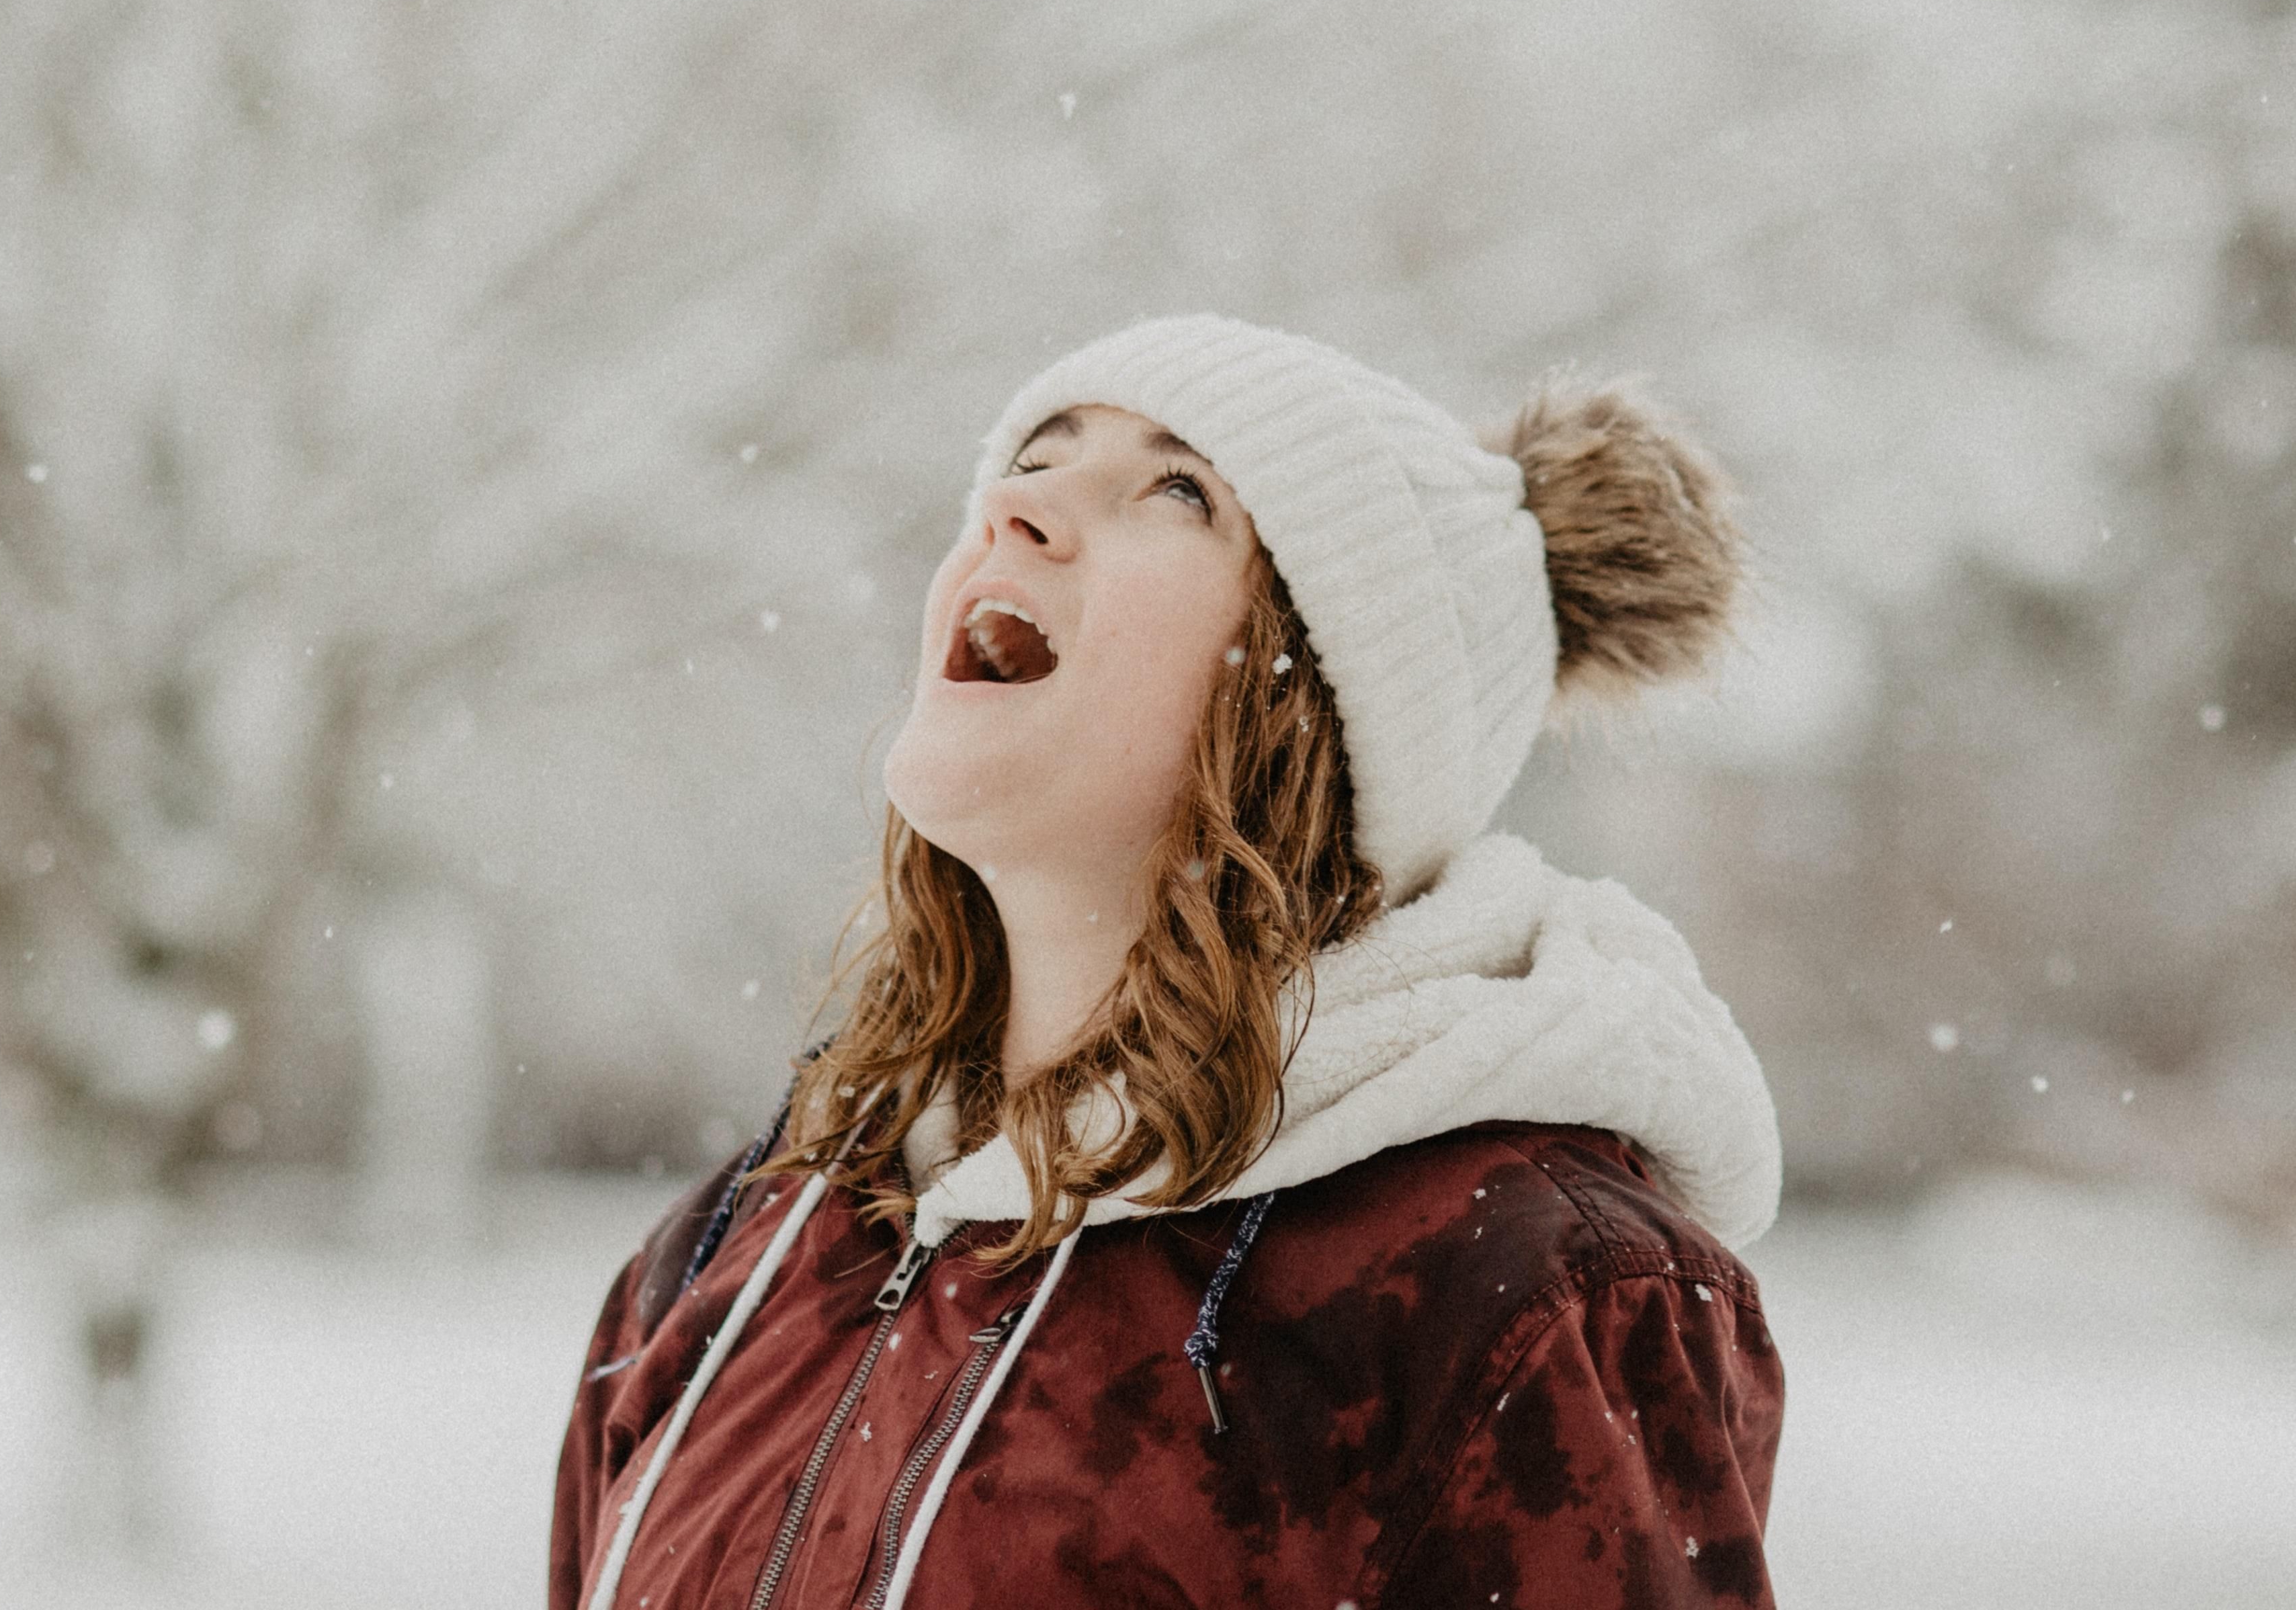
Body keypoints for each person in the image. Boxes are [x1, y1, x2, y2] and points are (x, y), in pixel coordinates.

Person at [551, 314, 1785, 1610]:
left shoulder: (1516, 1296)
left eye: (1177, 489)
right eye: (1034, 453)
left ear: (1317, 703)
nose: (1020, 503)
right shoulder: (737, 1246)